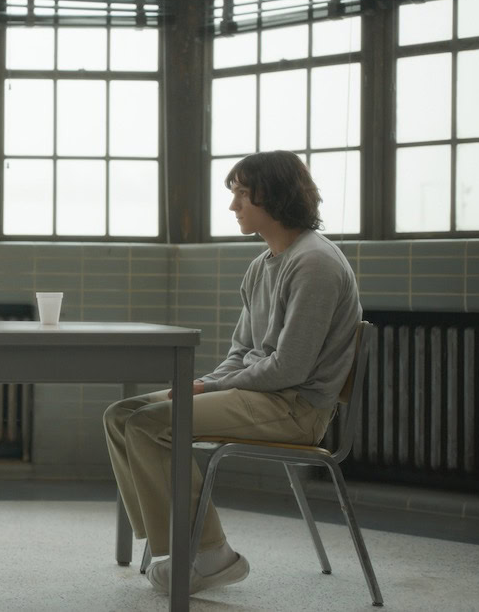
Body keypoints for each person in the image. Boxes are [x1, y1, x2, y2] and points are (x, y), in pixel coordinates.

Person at [103, 150, 360, 595]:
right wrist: (200, 386)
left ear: (275, 196)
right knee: (122, 414)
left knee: (148, 424)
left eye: (242, 193)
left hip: (296, 408)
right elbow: (241, 352)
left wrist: (207, 387)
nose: (233, 205)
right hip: (264, 395)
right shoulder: (262, 265)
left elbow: (290, 367)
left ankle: (208, 554)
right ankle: (180, 549)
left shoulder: (315, 263)